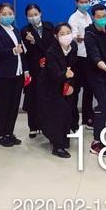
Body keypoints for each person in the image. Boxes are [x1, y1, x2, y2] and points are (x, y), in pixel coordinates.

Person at [0, 3, 29, 148]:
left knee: (14, 105)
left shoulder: (15, 30)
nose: (8, 16)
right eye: (4, 14)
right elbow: (0, 52)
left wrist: (25, 70)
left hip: (17, 74)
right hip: (4, 75)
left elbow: (22, 52)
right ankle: (1, 135)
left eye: (10, 13)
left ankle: (9, 132)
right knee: (4, 105)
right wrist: (13, 50)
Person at [84, 4, 106, 157]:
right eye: (99, 17)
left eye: (104, 16)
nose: (102, 19)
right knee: (103, 101)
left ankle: (96, 122)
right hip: (95, 72)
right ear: (93, 17)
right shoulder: (89, 33)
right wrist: (104, 66)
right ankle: (96, 143)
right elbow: (94, 54)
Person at [20, 3, 55, 138]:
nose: (33, 17)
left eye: (35, 14)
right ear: (26, 17)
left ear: (40, 14)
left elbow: (52, 47)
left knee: (47, 97)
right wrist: (32, 43)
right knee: (33, 97)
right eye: (30, 15)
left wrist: (36, 43)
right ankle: (33, 127)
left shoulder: (49, 27)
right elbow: (26, 53)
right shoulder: (24, 31)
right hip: (34, 68)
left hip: (49, 66)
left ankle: (47, 125)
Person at [44, 23, 78, 158]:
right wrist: (65, 75)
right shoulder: (51, 51)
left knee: (68, 112)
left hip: (66, 85)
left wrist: (70, 85)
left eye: (68, 33)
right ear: (56, 36)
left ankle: (63, 140)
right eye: (62, 34)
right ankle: (57, 146)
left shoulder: (73, 47)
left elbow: (74, 68)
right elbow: (54, 73)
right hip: (51, 86)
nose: (66, 36)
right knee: (58, 113)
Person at [68, 0, 94, 128]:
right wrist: (88, 38)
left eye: (86, 2)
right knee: (76, 89)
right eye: (82, 2)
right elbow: (74, 37)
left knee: (89, 89)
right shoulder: (73, 18)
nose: (84, 4)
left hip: (90, 57)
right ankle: (73, 121)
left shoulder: (89, 16)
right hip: (78, 57)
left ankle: (87, 118)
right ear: (76, 3)